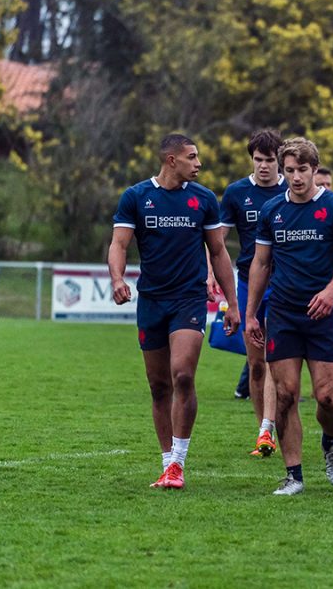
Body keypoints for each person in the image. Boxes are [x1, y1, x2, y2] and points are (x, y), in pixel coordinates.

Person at [108, 134, 240, 489]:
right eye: (192, 157)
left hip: (189, 299)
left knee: (182, 375)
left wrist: (231, 303)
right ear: (171, 160)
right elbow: (119, 243)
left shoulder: (204, 199)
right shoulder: (136, 197)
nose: (198, 163)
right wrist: (117, 278)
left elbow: (219, 253)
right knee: (158, 385)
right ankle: (166, 462)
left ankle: (178, 463)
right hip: (151, 301)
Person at [246, 137, 333, 495]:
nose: (295, 177)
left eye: (302, 170)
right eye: (290, 170)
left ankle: (330, 442)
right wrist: (251, 312)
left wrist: (330, 292)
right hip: (282, 312)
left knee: (327, 397)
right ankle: (293, 475)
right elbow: (261, 263)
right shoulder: (272, 212)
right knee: (286, 395)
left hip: (323, 314)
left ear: (314, 169)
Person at [220, 128, 288, 456]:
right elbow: (214, 239)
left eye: (269, 160)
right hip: (249, 284)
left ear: (280, 161)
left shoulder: (292, 191)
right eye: (258, 160)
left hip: (285, 284)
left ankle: (267, 429)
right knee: (256, 363)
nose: (263, 166)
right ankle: (263, 431)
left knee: (275, 359)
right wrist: (209, 275)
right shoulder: (235, 193)